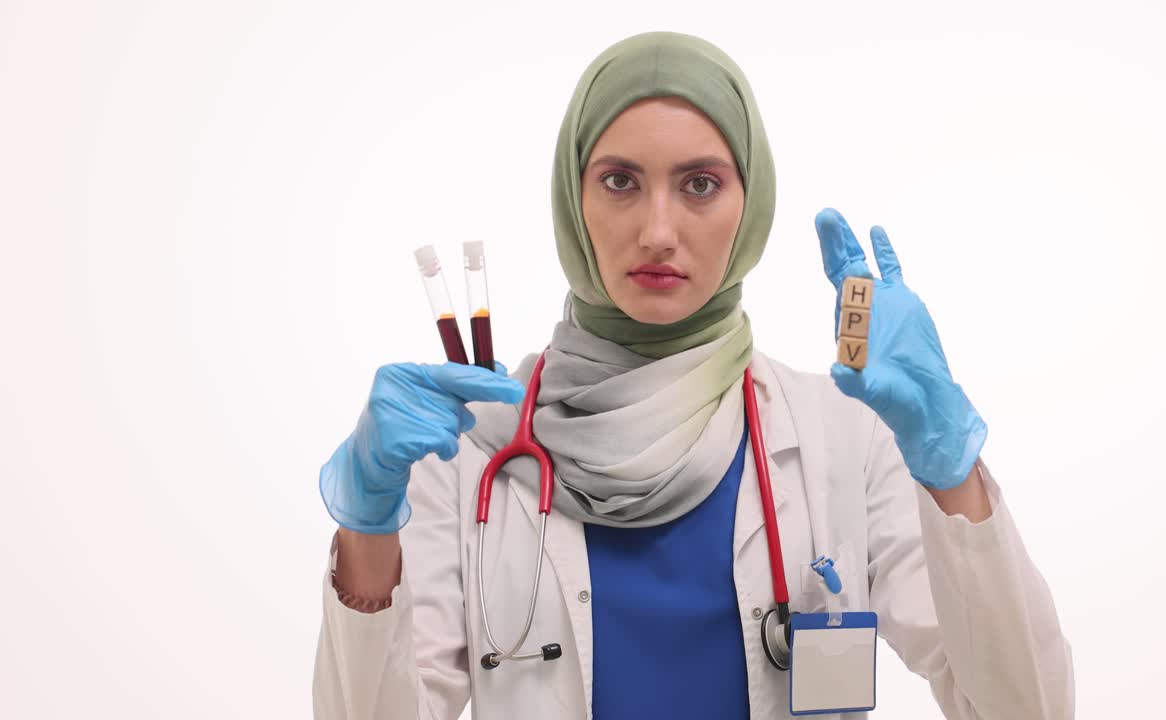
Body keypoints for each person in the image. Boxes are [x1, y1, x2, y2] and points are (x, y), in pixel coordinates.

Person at [312, 30, 1074, 720]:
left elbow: (1023, 710)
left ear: (750, 204)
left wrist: (951, 465)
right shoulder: (471, 448)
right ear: (572, 201)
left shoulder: (844, 439)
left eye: (700, 183)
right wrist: (366, 527)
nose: (657, 230)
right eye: (619, 181)